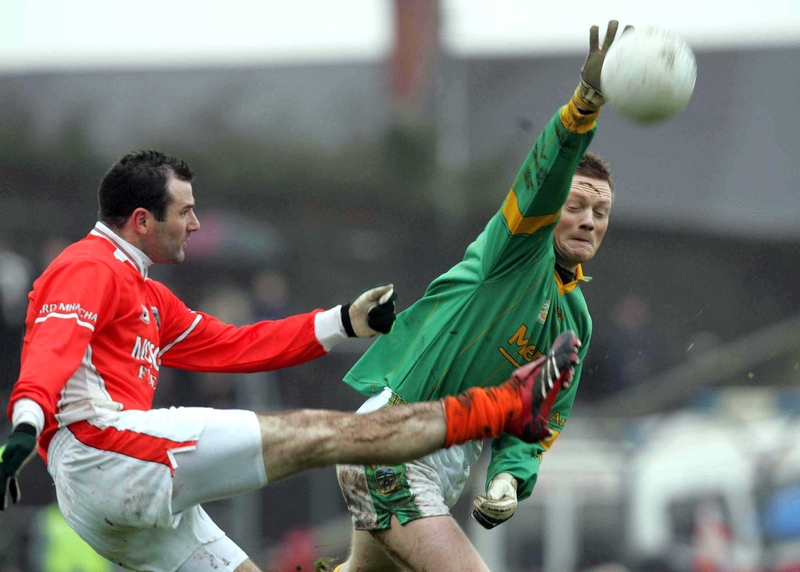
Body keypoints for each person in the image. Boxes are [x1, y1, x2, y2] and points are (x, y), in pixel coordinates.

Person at [0, 149, 580, 572]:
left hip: (109, 490)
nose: (195, 224)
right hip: (103, 453)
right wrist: (25, 422)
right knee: (324, 434)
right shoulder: (88, 266)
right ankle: (505, 405)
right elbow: (54, 347)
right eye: (186, 211)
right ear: (142, 220)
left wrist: (342, 322)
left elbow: (234, 346)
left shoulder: (146, 293)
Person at [332, 21, 622, 572]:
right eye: (577, 205)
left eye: (600, 212)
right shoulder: (515, 250)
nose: (588, 220)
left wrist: (510, 479)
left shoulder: (574, 324)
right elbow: (547, 171)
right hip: (395, 441)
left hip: (441, 467)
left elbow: (535, 420)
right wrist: (583, 107)